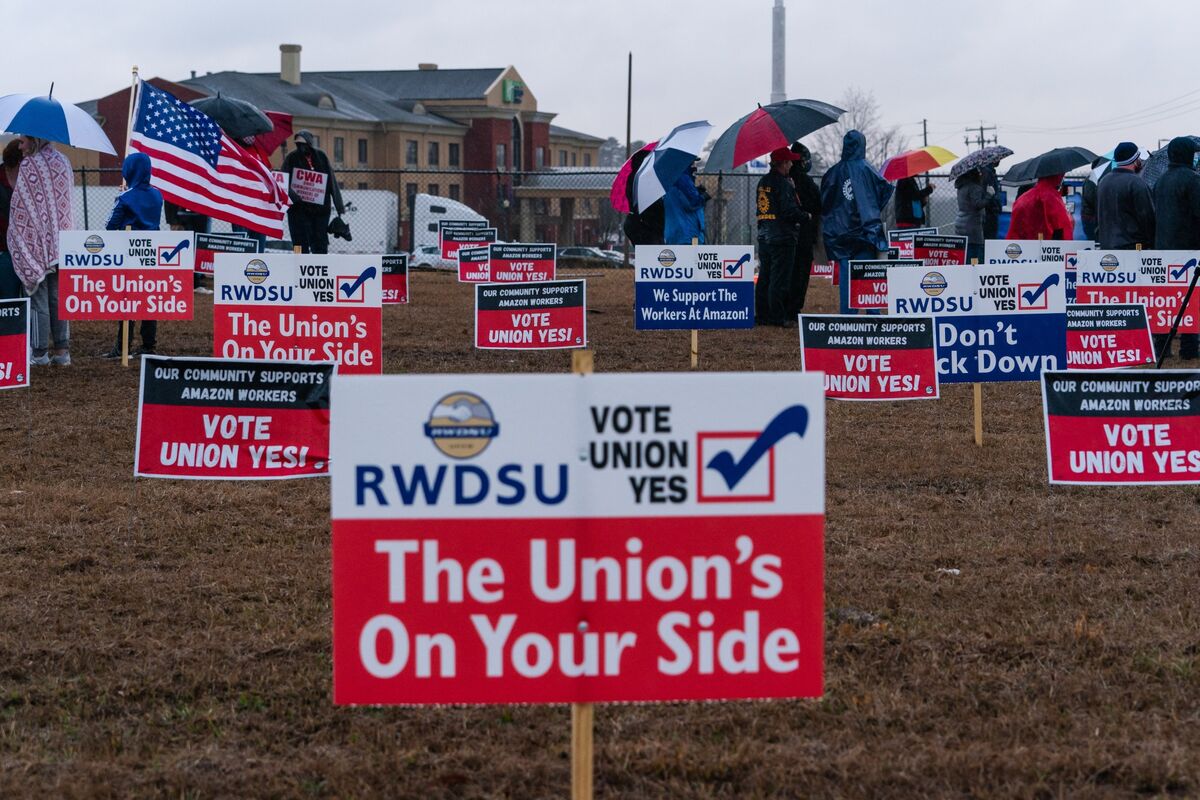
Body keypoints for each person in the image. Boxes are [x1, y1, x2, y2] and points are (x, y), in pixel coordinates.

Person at [7, 136, 73, 366]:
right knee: (58, 297)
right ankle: (62, 351)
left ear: (34, 141)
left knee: (39, 299)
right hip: (62, 242)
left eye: (23, 142)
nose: (21, 147)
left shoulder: (29, 165)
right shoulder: (63, 162)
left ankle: (39, 353)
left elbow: (21, 207)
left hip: (35, 243)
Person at [821, 130, 893, 314]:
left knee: (846, 279)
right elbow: (884, 190)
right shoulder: (868, 170)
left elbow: (826, 202)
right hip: (866, 233)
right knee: (868, 277)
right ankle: (873, 317)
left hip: (841, 235)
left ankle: (848, 318)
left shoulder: (833, 173)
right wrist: (871, 209)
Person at [103, 152, 164, 359]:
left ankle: (122, 347)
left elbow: (110, 226)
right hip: (151, 254)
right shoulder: (158, 194)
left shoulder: (125, 198)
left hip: (129, 254)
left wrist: (119, 199)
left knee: (127, 300)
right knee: (149, 299)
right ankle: (148, 345)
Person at [1151, 136, 1200, 360]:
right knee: (1191, 298)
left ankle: (1162, 346)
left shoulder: (1161, 180)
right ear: (1188, 154)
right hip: (1189, 249)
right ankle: (1189, 348)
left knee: (1166, 299)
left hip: (1163, 248)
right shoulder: (1192, 180)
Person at [755, 147, 807, 327]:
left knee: (765, 277)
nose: (792, 164)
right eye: (789, 161)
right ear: (783, 163)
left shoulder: (763, 181)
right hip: (782, 237)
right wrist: (805, 216)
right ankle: (777, 317)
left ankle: (762, 315)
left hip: (764, 236)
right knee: (780, 279)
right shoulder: (783, 184)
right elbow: (788, 211)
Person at [281, 130, 344, 254]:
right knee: (299, 243)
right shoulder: (291, 158)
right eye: (298, 144)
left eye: (304, 144)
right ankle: (298, 267)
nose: (301, 147)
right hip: (298, 210)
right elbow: (283, 180)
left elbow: (332, 181)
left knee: (320, 242)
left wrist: (339, 207)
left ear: (310, 143)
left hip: (320, 210)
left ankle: (320, 268)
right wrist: (293, 196)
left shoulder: (321, 156)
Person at [1097, 141, 1155, 250]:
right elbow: (1147, 218)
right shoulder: (1136, 182)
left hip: (1106, 246)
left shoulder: (1103, 181)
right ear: (1135, 160)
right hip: (1132, 247)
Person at [787, 142, 822, 315]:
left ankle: (784, 307)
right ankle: (794, 308)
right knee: (800, 273)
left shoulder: (783, 179)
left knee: (787, 272)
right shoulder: (805, 181)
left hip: (787, 234)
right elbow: (819, 204)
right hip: (804, 234)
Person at [1006, 173, 1073, 241]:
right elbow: (1062, 228)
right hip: (1049, 246)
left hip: (1024, 246)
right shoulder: (1053, 197)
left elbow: (1015, 231)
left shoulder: (1023, 198)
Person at [623, 149, 665, 246]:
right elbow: (653, 206)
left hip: (636, 223)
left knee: (647, 257)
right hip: (646, 225)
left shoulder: (633, 178)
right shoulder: (645, 179)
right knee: (654, 256)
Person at [662, 162, 708, 244]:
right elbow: (692, 202)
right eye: (692, 163)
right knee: (691, 256)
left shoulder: (668, 180)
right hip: (689, 234)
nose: (694, 166)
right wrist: (704, 196)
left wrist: (696, 191)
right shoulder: (683, 178)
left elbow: (680, 199)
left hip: (673, 232)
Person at [0, 140, 23, 299]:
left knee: (29, 298)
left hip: (24, 248)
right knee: (8, 295)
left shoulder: (28, 180)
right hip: (3, 248)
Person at [954, 168, 992, 263]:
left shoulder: (961, 187)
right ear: (974, 174)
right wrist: (989, 195)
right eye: (979, 172)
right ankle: (973, 276)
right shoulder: (974, 187)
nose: (980, 174)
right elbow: (977, 204)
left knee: (966, 252)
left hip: (961, 223)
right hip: (972, 226)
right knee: (975, 253)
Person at [980, 162, 1003, 240]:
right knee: (990, 238)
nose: (999, 160)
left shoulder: (989, 171)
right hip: (990, 211)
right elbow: (991, 192)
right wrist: (996, 205)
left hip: (990, 209)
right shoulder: (987, 172)